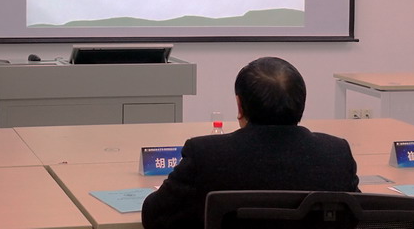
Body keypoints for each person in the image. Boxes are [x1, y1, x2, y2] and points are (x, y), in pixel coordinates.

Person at [141, 57, 360, 229]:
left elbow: (154, 217)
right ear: (301, 104)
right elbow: (359, 216)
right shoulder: (336, 154)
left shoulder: (206, 155)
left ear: (239, 106)